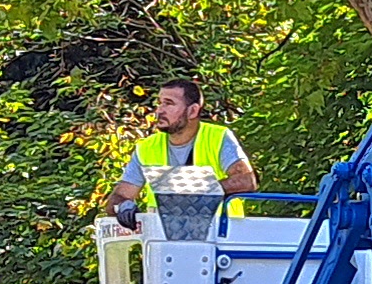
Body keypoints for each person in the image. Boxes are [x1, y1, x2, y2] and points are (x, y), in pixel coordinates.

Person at [104, 78, 257, 223]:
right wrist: (123, 206)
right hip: (163, 237)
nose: (159, 110)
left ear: (193, 111)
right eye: (159, 103)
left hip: (219, 234)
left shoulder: (217, 137)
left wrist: (199, 192)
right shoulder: (146, 147)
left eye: (169, 104)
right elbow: (119, 196)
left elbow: (246, 181)